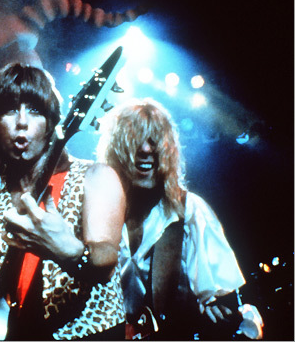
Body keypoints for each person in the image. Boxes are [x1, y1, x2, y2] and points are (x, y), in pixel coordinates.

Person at [0, 63, 127, 340]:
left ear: (51, 122)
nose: (22, 121)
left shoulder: (95, 178)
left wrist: (69, 250)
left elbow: (106, 256)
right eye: (10, 110)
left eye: (35, 110)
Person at [96, 97, 264, 340]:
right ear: (116, 151)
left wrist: (219, 310)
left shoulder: (190, 210)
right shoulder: (97, 212)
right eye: (135, 140)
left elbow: (226, 300)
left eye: (154, 141)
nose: (146, 150)